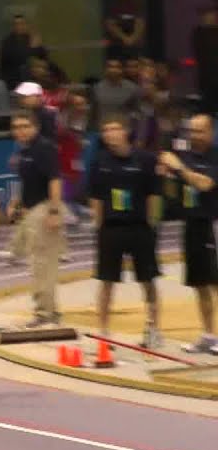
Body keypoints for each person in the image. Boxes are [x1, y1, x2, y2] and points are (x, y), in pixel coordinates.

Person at [88, 115, 163, 348]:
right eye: (106, 129)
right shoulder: (99, 161)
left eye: (114, 128)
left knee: (148, 280)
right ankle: (104, 331)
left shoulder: (146, 160)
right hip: (111, 229)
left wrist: (152, 225)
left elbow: (154, 196)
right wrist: (98, 227)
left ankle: (152, 328)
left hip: (140, 228)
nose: (109, 133)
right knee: (106, 281)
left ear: (126, 131)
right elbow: (96, 198)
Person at [159, 114, 218, 353]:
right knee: (200, 284)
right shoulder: (185, 156)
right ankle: (208, 335)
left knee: (215, 283)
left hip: (211, 224)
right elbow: (173, 192)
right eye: (192, 131)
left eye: (200, 131)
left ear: (211, 132)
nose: (195, 136)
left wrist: (179, 168)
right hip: (191, 225)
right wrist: (166, 174)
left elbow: (205, 184)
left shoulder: (214, 156)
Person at [5, 112, 67, 327]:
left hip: (44, 209)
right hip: (31, 210)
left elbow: (55, 179)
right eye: (16, 126)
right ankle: (50, 310)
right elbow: (30, 181)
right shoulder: (25, 150)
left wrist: (54, 211)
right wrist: (17, 201)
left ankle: (45, 314)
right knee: (39, 263)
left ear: (35, 127)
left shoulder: (44, 148)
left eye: (24, 126)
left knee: (43, 265)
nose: (20, 130)